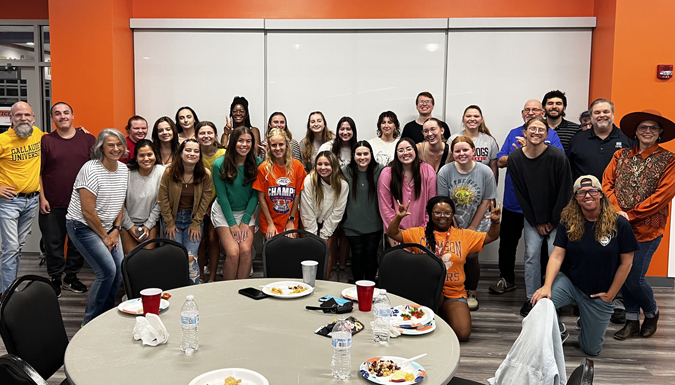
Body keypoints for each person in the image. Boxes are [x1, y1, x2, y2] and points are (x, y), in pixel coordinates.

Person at [532, 175, 638, 356]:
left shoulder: (619, 223)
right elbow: (557, 256)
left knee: (591, 349)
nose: (587, 195)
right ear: (576, 197)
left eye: (592, 191)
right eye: (582, 192)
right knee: (540, 302)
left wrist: (611, 294)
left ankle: (587, 321)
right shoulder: (568, 221)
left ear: (601, 195)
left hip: (599, 292)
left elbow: (626, 264)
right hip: (571, 283)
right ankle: (560, 331)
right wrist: (546, 286)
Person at [386, 196, 502, 341]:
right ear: (430, 214)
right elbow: (392, 233)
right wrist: (398, 217)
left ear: (453, 214)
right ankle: (435, 315)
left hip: (454, 292)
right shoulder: (418, 233)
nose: (443, 216)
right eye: (438, 212)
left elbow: (491, 236)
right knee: (435, 296)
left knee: (463, 333)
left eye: (447, 213)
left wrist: (495, 221)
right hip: (427, 290)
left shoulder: (463, 235)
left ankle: (439, 315)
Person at [603, 109, 675, 340]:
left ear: (660, 132)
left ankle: (652, 312)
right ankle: (632, 321)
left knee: (635, 277)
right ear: (635, 131)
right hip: (619, 227)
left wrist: (631, 215)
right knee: (621, 273)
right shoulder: (620, 156)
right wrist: (617, 211)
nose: (647, 131)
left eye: (653, 128)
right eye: (643, 127)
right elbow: (607, 185)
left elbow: (663, 195)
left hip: (648, 229)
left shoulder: (670, 159)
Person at [489, 100, 564, 295]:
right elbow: (501, 160)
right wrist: (521, 152)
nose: (531, 113)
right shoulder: (514, 135)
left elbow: (559, 169)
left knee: (545, 252)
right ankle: (509, 280)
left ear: (542, 113)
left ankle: (546, 289)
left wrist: (534, 148)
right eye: (527, 110)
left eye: (535, 110)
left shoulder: (552, 139)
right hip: (516, 202)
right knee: (510, 244)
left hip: (546, 207)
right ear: (523, 116)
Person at [507, 117, 572, 317]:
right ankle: (532, 299)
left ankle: (554, 299)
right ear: (525, 132)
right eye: (532, 129)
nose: (536, 132)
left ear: (547, 134)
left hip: (558, 217)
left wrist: (552, 221)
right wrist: (536, 221)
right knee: (531, 255)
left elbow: (565, 191)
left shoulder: (557, 157)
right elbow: (521, 194)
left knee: (555, 255)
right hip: (533, 217)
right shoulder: (515, 158)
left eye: (541, 129)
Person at [65, 129, 128, 325]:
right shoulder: (90, 169)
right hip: (82, 226)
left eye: (119, 144)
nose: (115, 149)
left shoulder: (124, 169)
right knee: (106, 270)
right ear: (101, 147)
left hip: (109, 228)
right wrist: (105, 236)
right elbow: (87, 211)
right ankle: (90, 321)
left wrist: (116, 230)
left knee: (119, 268)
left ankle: (107, 315)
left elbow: (120, 202)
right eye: (110, 144)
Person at [39, 101, 95, 297]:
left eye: (66, 113)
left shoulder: (88, 139)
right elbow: (38, 171)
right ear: (53, 118)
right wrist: (42, 197)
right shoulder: (46, 141)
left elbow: (97, 168)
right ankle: (55, 278)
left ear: (73, 116)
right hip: (52, 202)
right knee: (53, 243)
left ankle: (71, 277)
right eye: (57, 113)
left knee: (77, 243)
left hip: (80, 203)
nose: (62, 116)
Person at [437, 136, 497, 311]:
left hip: (477, 220)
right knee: (451, 254)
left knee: (470, 256)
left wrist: (471, 228)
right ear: (452, 153)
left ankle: (471, 291)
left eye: (465, 150)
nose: (462, 154)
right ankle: (449, 289)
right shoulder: (445, 171)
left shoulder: (485, 171)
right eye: (457, 151)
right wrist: (454, 225)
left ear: (473, 151)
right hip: (451, 220)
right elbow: (444, 202)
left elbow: (487, 201)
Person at [0, 102, 43, 294]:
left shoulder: (38, 135)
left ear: (33, 118)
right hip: (9, 202)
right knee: (10, 248)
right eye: (18, 115)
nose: (23, 118)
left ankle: (9, 288)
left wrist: (80, 131)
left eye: (27, 115)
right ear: (11, 118)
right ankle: (8, 294)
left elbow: (61, 138)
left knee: (17, 247)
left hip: (32, 200)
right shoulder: (2, 140)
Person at [158, 139, 213, 285]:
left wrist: (196, 223)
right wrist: (169, 223)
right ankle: (176, 289)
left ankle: (193, 290)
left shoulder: (205, 174)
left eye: (196, 151)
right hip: (172, 219)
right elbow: (162, 199)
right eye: (188, 150)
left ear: (200, 155)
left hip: (193, 219)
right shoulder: (169, 172)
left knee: (190, 257)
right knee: (176, 257)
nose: (192, 154)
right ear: (181, 153)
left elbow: (205, 200)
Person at [212, 126, 261, 280]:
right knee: (233, 253)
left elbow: (255, 195)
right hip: (224, 211)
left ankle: (242, 291)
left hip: (246, 210)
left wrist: (245, 221)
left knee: (246, 251)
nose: (244, 144)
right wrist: (233, 224)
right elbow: (222, 197)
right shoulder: (219, 164)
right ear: (233, 141)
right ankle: (229, 293)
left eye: (248, 141)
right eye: (240, 140)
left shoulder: (258, 163)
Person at [300, 151, 349, 280]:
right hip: (308, 220)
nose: (323, 167)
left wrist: (324, 234)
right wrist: (312, 233)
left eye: (326, 164)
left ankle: (325, 282)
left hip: (327, 221)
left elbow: (338, 212)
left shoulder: (342, 184)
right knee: (309, 248)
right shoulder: (309, 180)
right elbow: (306, 209)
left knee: (326, 248)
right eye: (319, 164)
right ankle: (306, 282)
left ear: (334, 165)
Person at [378, 137, 437, 244]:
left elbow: (432, 204)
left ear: (415, 150)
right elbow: (385, 207)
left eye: (409, 149)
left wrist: (425, 231)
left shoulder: (428, 171)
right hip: (397, 233)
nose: (405, 153)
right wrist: (395, 233)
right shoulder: (387, 174)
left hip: (423, 232)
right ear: (396, 154)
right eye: (401, 150)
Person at [318, 116, 356, 280]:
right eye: (342, 128)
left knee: (345, 232)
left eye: (349, 129)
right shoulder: (328, 146)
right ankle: (331, 266)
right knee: (331, 232)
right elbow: (319, 169)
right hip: (331, 196)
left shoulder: (357, 148)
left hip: (351, 195)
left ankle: (342, 266)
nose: (345, 132)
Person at [341, 141, 385, 282]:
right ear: (353, 156)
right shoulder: (344, 172)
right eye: (358, 154)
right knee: (357, 256)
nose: (362, 157)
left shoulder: (381, 171)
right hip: (352, 225)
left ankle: (371, 289)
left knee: (371, 256)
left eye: (365, 154)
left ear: (371, 155)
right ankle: (357, 289)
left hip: (375, 224)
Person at [254, 128, 307, 239]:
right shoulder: (263, 168)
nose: (278, 148)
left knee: (289, 250)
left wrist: (291, 220)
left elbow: (297, 195)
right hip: (269, 220)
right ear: (269, 146)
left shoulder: (297, 166)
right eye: (274, 145)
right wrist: (270, 223)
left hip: (289, 220)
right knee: (273, 250)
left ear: (286, 145)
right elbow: (261, 197)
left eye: (281, 144)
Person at [567, 99, 634, 181]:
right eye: (597, 112)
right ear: (591, 116)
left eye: (606, 112)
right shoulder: (577, 139)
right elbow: (569, 169)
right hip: (587, 192)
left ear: (613, 114)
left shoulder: (627, 139)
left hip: (617, 192)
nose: (602, 115)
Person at [120, 139, 164, 254]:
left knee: (146, 259)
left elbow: (160, 203)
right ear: (136, 157)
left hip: (150, 223)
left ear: (155, 155)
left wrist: (148, 225)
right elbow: (119, 203)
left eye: (149, 154)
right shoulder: (127, 172)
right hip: (126, 223)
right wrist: (130, 226)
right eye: (141, 155)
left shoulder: (161, 172)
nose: (146, 159)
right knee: (130, 260)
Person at [196, 121, 226, 282]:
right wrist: (203, 205)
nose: (206, 136)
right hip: (197, 205)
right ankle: (200, 276)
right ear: (196, 136)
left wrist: (212, 204)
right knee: (200, 240)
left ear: (215, 135)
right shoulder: (193, 153)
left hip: (218, 203)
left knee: (213, 239)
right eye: (202, 133)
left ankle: (212, 278)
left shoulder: (223, 154)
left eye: (209, 133)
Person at [448, 105, 499, 181]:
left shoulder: (489, 140)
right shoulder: (453, 139)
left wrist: (492, 188)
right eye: (468, 116)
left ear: (481, 119)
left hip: (483, 185)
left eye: (476, 116)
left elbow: (494, 168)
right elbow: (448, 166)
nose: (472, 119)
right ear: (463, 119)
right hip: (459, 185)